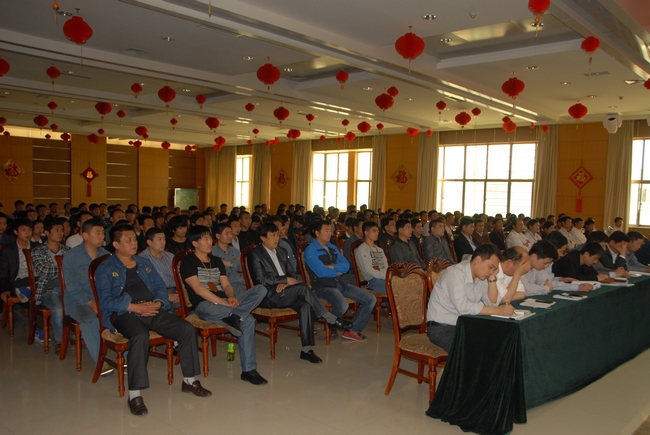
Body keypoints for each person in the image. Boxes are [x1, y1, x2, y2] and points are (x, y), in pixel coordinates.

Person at [95, 224, 210, 416]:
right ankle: (134, 395)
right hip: (125, 314)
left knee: (186, 329)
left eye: (134, 239)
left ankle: (189, 381)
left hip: (152, 309)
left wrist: (158, 303)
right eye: (128, 240)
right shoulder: (106, 268)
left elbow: (159, 287)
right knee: (140, 337)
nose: (134, 243)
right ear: (116, 244)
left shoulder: (144, 263)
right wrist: (134, 307)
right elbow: (106, 300)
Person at [247, 222, 352, 363]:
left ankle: (307, 350)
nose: (276, 238)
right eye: (272, 235)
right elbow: (260, 280)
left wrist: (286, 282)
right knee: (303, 287)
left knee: (305, 305)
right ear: (262, 237)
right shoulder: (255, 254)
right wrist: (284, 280)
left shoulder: (282, 251)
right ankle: (329, 317)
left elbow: (292, 273)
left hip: (285, 291)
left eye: (277, 235)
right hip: (268, 295)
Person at [181, 225, 268, 385]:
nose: (210, 242)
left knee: (261, 289)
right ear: (195, 243)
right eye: (205, 239)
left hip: (225, 303)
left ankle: (235, 316)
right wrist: (222, 302)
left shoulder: (215, 261)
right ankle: (249, 370)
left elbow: (226, 285)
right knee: (248, 320)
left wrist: (231, 297)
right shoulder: (188, 263)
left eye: (210, 238)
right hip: (206, 305)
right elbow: (199, 289)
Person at [426, 244, 514, 352]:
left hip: (464, 326)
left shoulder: (481, 277)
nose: (491, 271)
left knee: (499, 339)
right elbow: (463, 307)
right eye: (490, 267)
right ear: (478, 260)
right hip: (443, 329)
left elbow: (492, 303)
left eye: (495, 269)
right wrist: (497, 311)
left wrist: (492, 278)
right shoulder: (455, 273)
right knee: (479, 349)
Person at [304, 220, 376, 342]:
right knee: (342, 305)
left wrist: (333, 267)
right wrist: (337, 271)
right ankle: (332, 323)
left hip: (339, 283)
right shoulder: (310, 251)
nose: (329, 233)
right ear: (317, 232)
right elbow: (321, 272)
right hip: (323, 286)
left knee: (370, 299)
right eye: (326, 231)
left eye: (330, 230)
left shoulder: (332, 247)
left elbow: (346, 265)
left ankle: (352, 330)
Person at [61, 218, 113, 375]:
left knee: (122, 314)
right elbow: (71, 285)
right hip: (78, 300)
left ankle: (125, 356)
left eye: (102, 232)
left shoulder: (106, 255)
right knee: (89, 319)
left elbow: (112, 281)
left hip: (101, 298)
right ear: (85, 235)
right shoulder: (71, 256)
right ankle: (100, 360)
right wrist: (89, 302)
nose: (102, 236)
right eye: (98, 233)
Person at [31, 218, 69, 354]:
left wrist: (53, 267)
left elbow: (73, 270)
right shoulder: (38, 251)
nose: (60, 233)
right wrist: (63, 268)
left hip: (68, 289)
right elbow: (43, 271)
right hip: (49, 290)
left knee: (83, 303)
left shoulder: (67, 250)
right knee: (58, 309)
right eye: (56, 230)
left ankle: (81, 337)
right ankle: (60, 342)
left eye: (62, 230)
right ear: (46, 232)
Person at [137, 228, 180, 311]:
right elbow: (145, 286)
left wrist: (180, 292)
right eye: (159, 239)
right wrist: (166, 295)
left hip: (176, 291)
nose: (163, 242)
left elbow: (180, 275)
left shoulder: (170, 256)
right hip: (157, 294)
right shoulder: (142, 260)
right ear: (149, 242)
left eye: (164, 239)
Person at [211, 223, 247, 297]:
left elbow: (243, 267)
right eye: (227, 234)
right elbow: (217, 271)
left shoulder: (235, 251)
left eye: (230, 233)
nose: (230, 236)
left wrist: (230, 263)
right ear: (218, 236)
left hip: (242, 283)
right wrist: (236, 263)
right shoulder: (212, 253)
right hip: (226, 286)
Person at [355, 221, 389, 293]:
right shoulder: (362, 249)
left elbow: (386, 266)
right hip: (373, 280)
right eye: (374, 231)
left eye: (377, 231)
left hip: (385, 277)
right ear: (366, 233)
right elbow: (368, 270)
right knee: (394, 287)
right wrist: (384, 276)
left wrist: (386, 275)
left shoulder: (379, 249)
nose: (377, 233)